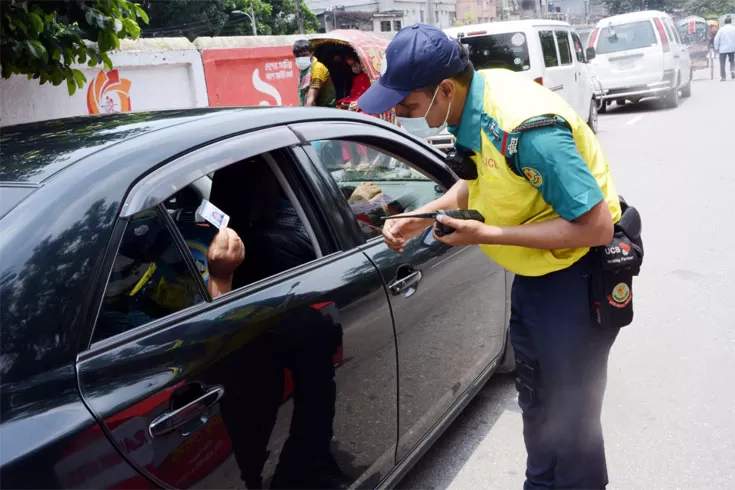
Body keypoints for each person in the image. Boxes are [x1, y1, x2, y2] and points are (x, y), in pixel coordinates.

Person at [358, 24, 622, 489]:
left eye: (408, 104)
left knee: (572, 419)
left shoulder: (527, 130)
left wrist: (487, 233)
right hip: (536, 279)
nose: (402, 113)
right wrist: (422, 216)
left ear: (444, 89)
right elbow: (479, 179)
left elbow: (596, 227)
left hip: (575, 277)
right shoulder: (470, 108)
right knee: (537, 402)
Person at [293, 39, 337, 107]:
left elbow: (310, 100)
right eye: (298, 56)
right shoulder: (305, 69)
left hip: (325, 111)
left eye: (304, 55)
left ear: (312, 54)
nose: (301, 58)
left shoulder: (317, 69)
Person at [714, 15, 735, 81]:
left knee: (722, 63)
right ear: (730, 22)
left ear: (724, 22)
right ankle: (732, 70)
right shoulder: (733, 29)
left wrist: (716, 47)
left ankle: (723, 77)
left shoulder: (721, 29)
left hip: (723, 49)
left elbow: (716, 39)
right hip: (732, 48)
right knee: (732, 61)